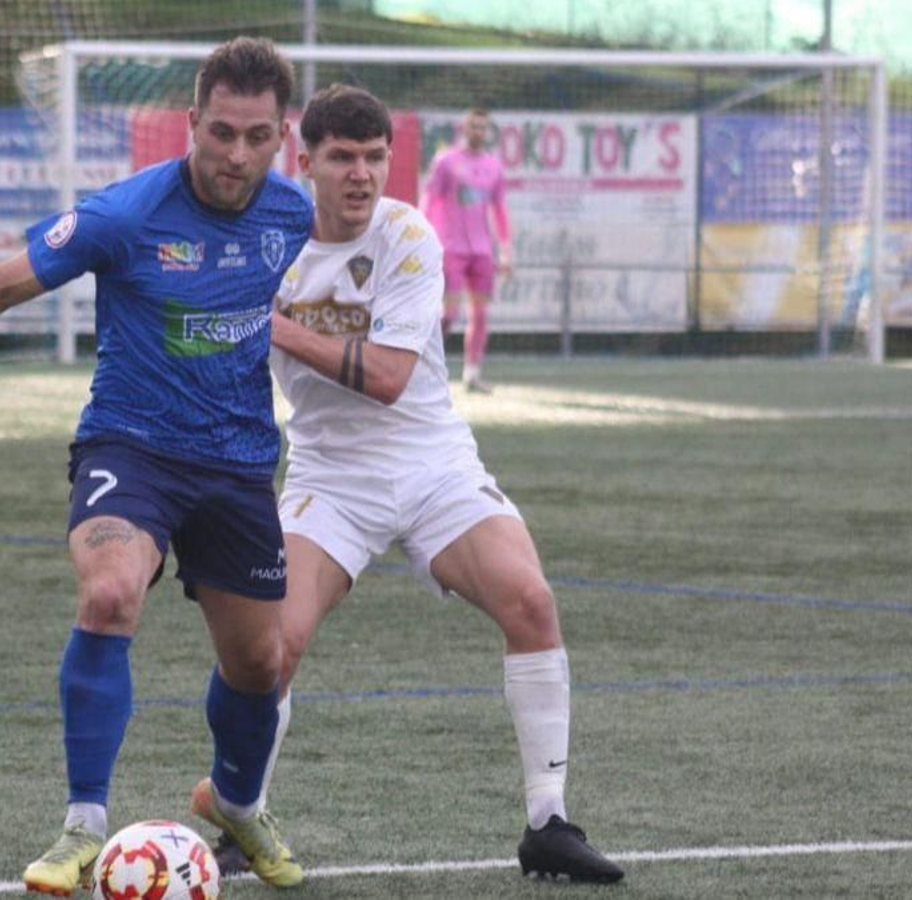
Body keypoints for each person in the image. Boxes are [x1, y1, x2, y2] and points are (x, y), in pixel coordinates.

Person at [0, 37, 312, 896]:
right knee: (110, 593)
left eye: (256, 137)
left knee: (262, 666)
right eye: (220, 132)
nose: (235, 155)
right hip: (131, 448)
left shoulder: (290, 215)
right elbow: (0, 285)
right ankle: (82, 826)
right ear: (191, 121)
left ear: (281, 134)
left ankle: (235, 802)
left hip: (237, 465)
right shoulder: (126, 215)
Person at [203, 84, 623, 884]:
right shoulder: (266, 241)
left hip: (433, 462)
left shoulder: (408, 233)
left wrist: (271, 322)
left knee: (530, 601)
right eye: (341, 158)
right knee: (272, 649)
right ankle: (240, 821)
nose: (360, 175)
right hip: (331, 475)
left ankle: (549, 821)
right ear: (306, 160)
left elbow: (390, 378)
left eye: (374, 158)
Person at [421, 108, 510, 394]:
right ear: (464, 128)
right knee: (448, 313)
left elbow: (499, 210)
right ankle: (424, 367)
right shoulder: (447, 162)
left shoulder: (494, 166)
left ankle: (472, 374)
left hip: (482, 250)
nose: (478, 132)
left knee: (481, 314)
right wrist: (424, 237)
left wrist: (505, 249)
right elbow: (431, 199)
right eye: (474, 127)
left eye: (483, 128)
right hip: (452, 248)